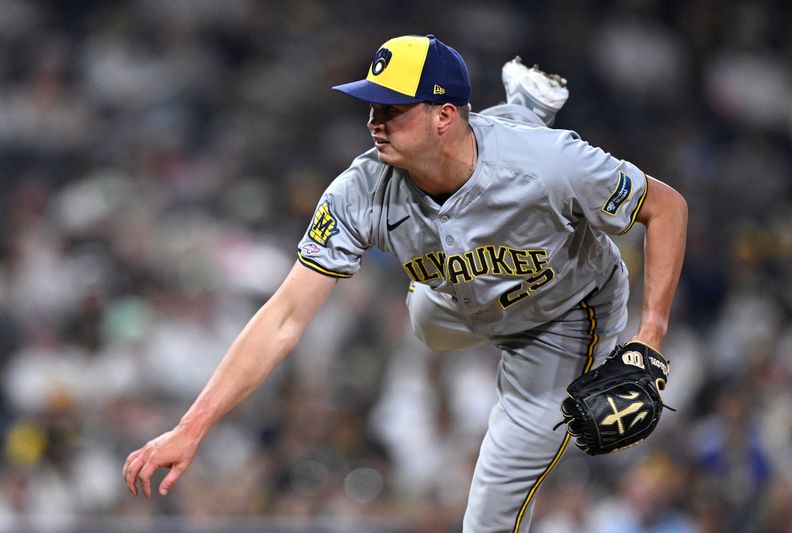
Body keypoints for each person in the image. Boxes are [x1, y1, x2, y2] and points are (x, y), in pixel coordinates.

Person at [123, 34, 688, 532]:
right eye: (370, 105)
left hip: (564, 317)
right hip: (455, 300)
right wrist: (191, 427)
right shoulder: (361, 189)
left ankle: (523, 115)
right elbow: (284, 317)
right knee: (425, 324)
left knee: (489, 514)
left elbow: (667, 207)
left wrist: (651, 337)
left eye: (392, 107)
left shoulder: (551, 164)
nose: (374, 120)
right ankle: (522, 109)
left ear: (443, 114)